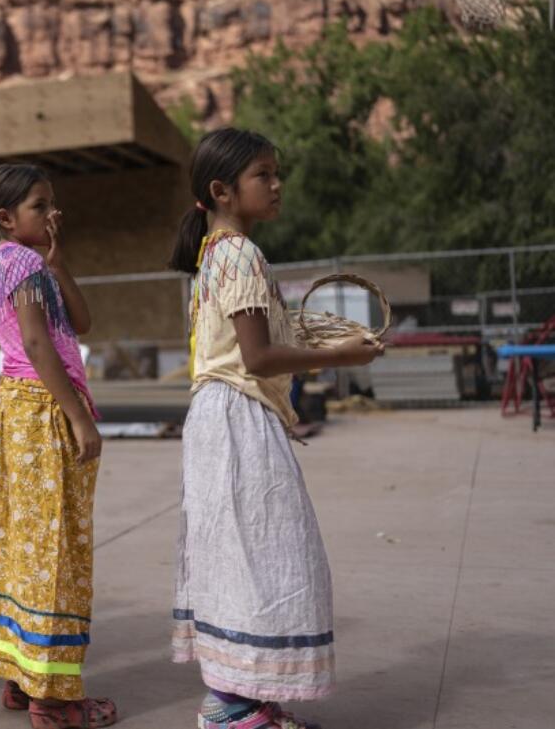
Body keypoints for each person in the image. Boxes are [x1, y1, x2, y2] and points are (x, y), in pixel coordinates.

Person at [167, 128, 384, 729]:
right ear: (222, 191)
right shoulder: (237, 252)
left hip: (223, 416)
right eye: (263, 173)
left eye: (274, 171)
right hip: (236, 417)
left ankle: (236, 698)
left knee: (242, 556)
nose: (276, 183)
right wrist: (341, 354)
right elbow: (257, 357)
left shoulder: (218, 252)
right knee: (268, 553)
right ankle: (233, 709)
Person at [0, 164, 116, 729]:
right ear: (6, 218)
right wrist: (79, 418)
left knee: (27, 545)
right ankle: (55, 703)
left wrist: (59, 259)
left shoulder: (26, 262)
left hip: (19, 410)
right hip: (42, 410)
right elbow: (33, 340)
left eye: (53, 203)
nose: (51, 214)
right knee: (55, 550)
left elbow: (83, 321)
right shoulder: (18, 261)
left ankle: (23, 681)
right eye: (38, 205)